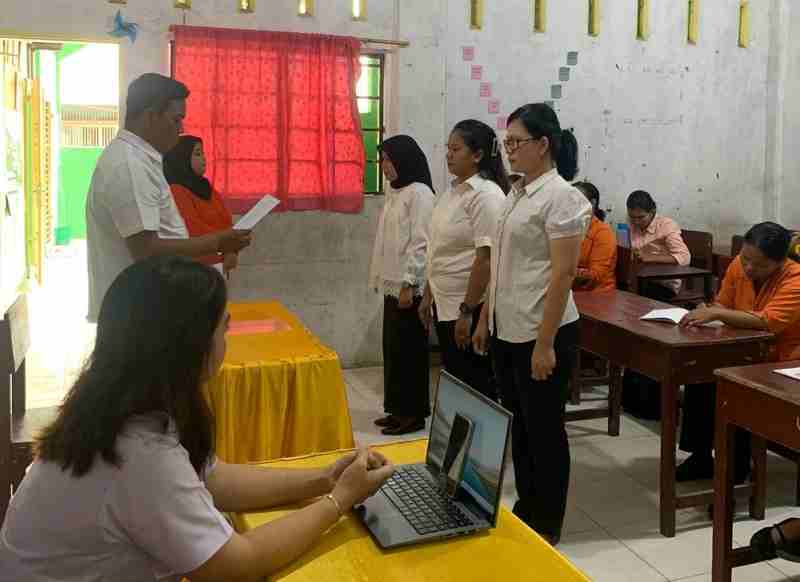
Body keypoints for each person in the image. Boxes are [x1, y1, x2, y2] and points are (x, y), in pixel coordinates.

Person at [0, 256, 394, 582]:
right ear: (188, 345)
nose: (227, 340)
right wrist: (339, 500)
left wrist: (325, 478)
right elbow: (236, 564)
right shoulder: (138, 454)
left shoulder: (122, 406)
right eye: (223, 327)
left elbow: (214, 477)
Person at [472, 103, 591, 545]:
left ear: (543, 145)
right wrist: (486, 317)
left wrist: (545, 345)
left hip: (545, 331)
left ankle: (549, 523)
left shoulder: (564, 198)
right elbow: (501, 265)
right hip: (509, 327)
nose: (509, 151)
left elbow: (562, 275)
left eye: (516, 143)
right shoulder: (515, 193)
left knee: (544, 429)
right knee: (518, 424)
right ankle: (527, 508)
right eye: (506, 143)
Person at [86, 73, 251, 322]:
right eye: (176, 119)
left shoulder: (139, 159)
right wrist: (218, 242)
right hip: (137, 312)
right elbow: (146, 250)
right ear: (151, 116)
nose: (181, 129)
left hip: (148, 303)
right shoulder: (130, 165)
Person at [676, 222, 800, 483]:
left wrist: (718, 313)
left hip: (781, 361)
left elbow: (770, 321)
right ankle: (700, 457)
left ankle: (734, 469)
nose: (749, 268)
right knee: (700, 374)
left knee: (736, 389)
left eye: (760, 265)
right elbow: (723, 303)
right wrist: (709, 311)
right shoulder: (738, 264)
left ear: (780, 262)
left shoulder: (796, 278)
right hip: (743, 351)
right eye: (746, 259)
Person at [418, 120, 509, 401]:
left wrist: (467, 312)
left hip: (469, 304)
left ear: (478, 155)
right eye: (448, 148)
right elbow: (438, 249)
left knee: (475, 382)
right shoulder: (452, 192)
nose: (448, 154)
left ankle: (482, 444)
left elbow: (486, 260)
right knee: (457, 378)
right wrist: (428, 296)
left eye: (456, 149)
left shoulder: (486, 196)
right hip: (445, 301)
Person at [368, 135, 435, 436]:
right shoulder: (396, 192)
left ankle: (413, 414)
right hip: (392, 286)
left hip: (408, 287)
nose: (383, 165)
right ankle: (396, 409)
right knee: (393, 350)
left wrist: (410, 282)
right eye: (382, 159)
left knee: (409, 353)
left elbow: (421, 242)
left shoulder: (420, 193)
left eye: (388, 159)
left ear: (404, 159)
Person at [163, 135, 238, 275]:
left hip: (220, 263)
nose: (204, 158)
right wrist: (227, 242)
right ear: (182, 158)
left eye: (203, 153)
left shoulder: (208, 189)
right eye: (198, 154)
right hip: (195, 269)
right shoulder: (176, 190)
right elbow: (192, 229)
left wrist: (231, 251)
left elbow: (226, 221)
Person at [626, 190, 691, 301]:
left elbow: (685, 257)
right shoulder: (630, 224)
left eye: (641, 217)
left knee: (635, 297)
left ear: (652, 211)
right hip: (639, 279)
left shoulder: (666, 226)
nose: (636, 222)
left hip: (663, 284)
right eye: (632, 217)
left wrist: (650, 258)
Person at [572, 181, 617, 292]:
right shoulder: (565, 227)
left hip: (597, 294)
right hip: (569, 289)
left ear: (592, 203)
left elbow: (595, 275)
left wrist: (562, 272)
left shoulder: (603, 233)